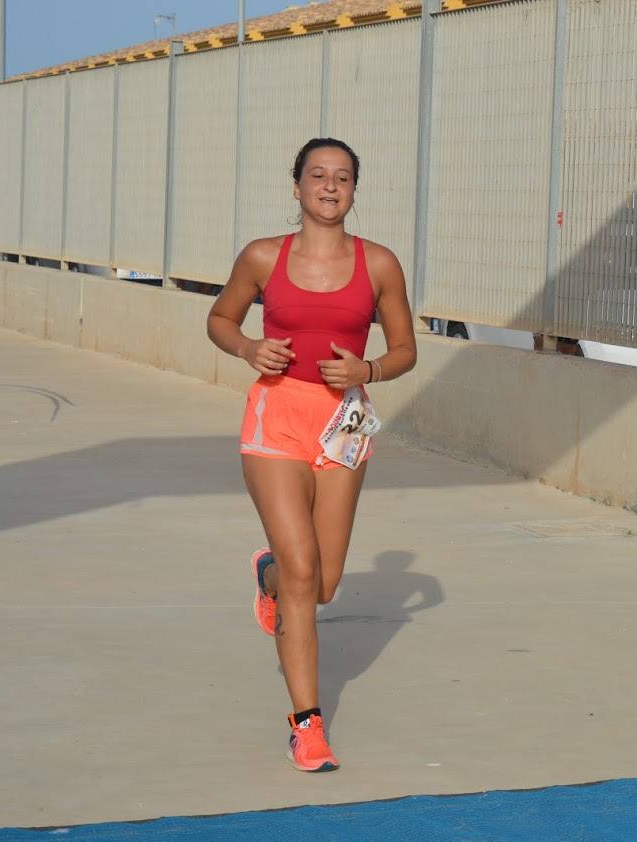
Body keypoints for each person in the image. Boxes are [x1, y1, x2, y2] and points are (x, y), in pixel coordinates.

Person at [207, 138, 417, 772]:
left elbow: (407, 348)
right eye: (318, 176)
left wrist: (369, 367)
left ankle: (268, 573)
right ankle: (307, 723)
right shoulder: (263, 257)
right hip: (278, 417)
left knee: (320, 585)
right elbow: (220, 317)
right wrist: (248, 349)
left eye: (343, 178)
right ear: (295, 186)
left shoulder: (378, 264)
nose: (330, 187)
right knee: (306, 571)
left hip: (344, 424)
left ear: (355, 190)